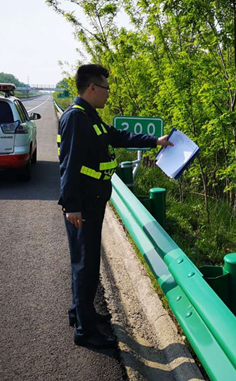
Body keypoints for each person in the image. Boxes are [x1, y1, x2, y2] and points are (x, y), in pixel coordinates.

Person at [58, 64, 173, 349]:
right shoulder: (76, 119)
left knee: (84, 263)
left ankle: (80, 313)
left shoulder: (91, 117)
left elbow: (119, 136)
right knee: (85, 266)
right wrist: (71, 205)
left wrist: (155, 141)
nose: (109, 94)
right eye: (106, 88)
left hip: (92, 202)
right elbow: (68, 165)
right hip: (82, 206)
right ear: (92, 88)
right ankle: (86, 332)